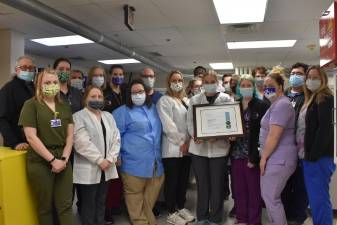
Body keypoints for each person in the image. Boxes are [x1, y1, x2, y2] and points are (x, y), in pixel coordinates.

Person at [18, 68, 75, 225]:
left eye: (55, 82)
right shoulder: (31, 105)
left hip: (63, 159)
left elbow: (70, 136)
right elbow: (31, 136)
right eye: (47, 82)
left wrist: (63, 159)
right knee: (45, 208)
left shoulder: (64, 106)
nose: (52, 85)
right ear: (39, 84)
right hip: (40, 160)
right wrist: (52, 160)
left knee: (65, 205)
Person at [112, 79, 164, 225]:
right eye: (133, 92)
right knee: (134, 196)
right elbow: (116, 138)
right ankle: (140, 222)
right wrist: (118, 156)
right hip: (133, 163)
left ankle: (147, 220)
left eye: (140, 91)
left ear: (146, 93)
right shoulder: (121, 112)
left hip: (155, 163)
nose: (137, 95)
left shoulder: (154, 108)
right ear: (128, 94)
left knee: (149, 198)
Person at [187, 70, 232, 225]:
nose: (209, 84)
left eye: (213, 81)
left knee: (217, 185)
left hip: (219, 149)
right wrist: (196, 135)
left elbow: (229, 121)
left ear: (217, 83)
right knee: (202, 185)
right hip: (198, 150)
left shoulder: (226, 98)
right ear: (203, 83)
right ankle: (202, 217)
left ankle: (215, 218)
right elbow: (190, 122)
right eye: (207, 81)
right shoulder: (194, 99)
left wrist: (219, 135)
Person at [73, 86, 121, 225]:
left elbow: (116, 138)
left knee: (102, 201)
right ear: (85, 99)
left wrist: (110, 158)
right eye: (93, 97)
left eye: (99, 97)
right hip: (90, 166)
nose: (97, 99)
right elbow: (82, 142)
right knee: (88, 203)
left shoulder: (108, 116)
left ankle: (100, 222)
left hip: (107, 166)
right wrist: (100, 160)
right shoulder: (78, 117)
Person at [259, 73, 297, 225]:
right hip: (277, 157)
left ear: (281, 87)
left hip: (278, 158)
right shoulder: (277, 104)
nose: (267, 89)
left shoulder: (282, 105)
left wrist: (263, 158)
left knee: (270, 197)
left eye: (271, 86)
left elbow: (274, 136)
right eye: (265, 87)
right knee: (270, 196)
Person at [157, 70, 195, 225]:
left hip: (187, 148)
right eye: (174, 80)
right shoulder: (164, 101)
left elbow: (190, 122)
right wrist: (182, 143)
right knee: (172, 181)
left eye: (180, 80)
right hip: (173, 148)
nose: (177, 82)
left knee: (183, 180)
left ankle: (181, 207)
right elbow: (168, 126)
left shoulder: (185, 100)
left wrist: (188, 143)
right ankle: (171, 211)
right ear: (168, 82)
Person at [230, 74, 269, 225]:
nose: (245, 88)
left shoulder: (261, 105)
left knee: (253, 191)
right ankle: (242, 218)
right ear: (239, 88)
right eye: (243, 85)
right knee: (239, 189)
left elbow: (264, 134)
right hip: (236, 153)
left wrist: (255, 158)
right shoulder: (235, 104)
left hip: (252, 154)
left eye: (248, 85)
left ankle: (253, 221)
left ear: (253, 87)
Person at [302, 66, 336, 225]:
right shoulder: (313, 97)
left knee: (319, 199)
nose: (312, 80)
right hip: (313, 157)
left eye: (316, 77)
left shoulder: (325, 98)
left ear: (323, 79)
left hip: (319, 158)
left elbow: (325, 130)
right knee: (316, 199)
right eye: (309, 77)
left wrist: (312, 156)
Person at [282, 62, 309, 225]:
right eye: (292, 73)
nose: (295, 76)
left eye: (299, 74)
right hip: (283, 150)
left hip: (300, 150)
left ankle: (298, 218)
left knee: (300, 186)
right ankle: (283, 216)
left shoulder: (308, 97)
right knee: (284, 185)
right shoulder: (283, 95)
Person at [104, 64, 126, 223]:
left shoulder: (126, 93)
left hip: (125, 139)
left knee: (121, 176)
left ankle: (118, 204)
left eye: (121, 74)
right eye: (115, 74)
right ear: (109, 75)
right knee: (110, 177)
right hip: (109, 139)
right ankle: (108, 208)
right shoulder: (104, 95)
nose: (118, 76)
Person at [0, 55, 35, 150]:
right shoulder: (8, 89)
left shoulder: (35, 89)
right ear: (16, 70)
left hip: (35, 142)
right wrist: (15, 143)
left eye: (31, 68)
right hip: (18, 145)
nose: (28, 70)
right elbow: (2, 119)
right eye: (24, 67)